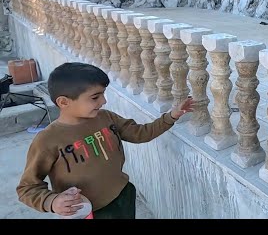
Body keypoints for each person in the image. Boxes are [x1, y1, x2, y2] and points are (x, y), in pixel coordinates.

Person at [16, 62, 193, 219]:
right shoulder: (47, 140)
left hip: (123, 196)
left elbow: (141, 133)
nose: (104, 101)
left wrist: (171, 116)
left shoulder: (106, 118)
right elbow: (27, 188)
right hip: (89, 212)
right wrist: (52, 201)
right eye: (95, 97)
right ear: (64, 102)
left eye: (102, 94)